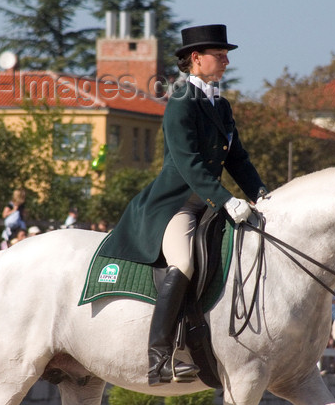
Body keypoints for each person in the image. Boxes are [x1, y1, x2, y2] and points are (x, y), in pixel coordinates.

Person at [98, 24, 267, 386]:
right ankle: (160, 355)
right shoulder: (179, 100)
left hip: (209, 206)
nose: (225, 60)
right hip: (175, 204)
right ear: (196, 59)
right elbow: (189, 164)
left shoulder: (220, 104)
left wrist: (262, 194)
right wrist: (226, 199)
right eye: (218, 55)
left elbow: (238, 159)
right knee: (185, 262)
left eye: (225, 55)